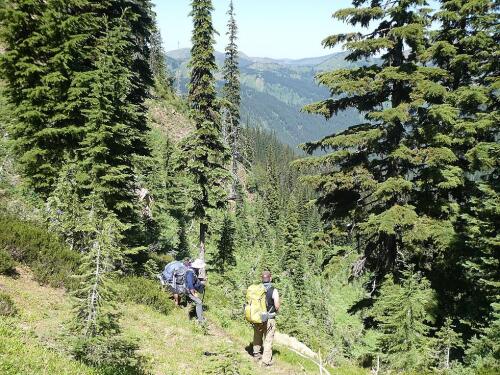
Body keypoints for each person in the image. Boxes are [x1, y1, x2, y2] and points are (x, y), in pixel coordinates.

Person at [253, 270, 280, 366]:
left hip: (257, 317)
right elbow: (277, 305)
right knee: (268, 339)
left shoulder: (257, 289)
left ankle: (256, 354)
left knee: (257, 336)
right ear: (270, 278)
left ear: (262, 278)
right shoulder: (273, 290)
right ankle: (266, 361)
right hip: (269, 318)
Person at [186, 258, 206, 323]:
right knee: (199, 302)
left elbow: (195, 279)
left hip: (189, 290)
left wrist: (202, 279)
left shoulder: (193, 271)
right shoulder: (190, 272)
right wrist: (194, 294)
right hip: (188, 290)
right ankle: (200, 320)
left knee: (197, 301)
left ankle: (197, 315)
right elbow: (190, 284)